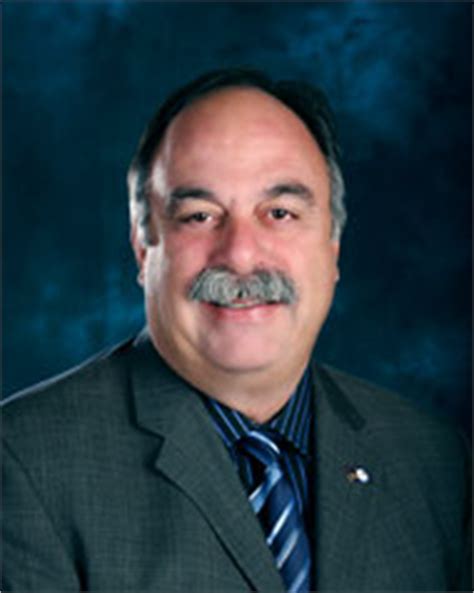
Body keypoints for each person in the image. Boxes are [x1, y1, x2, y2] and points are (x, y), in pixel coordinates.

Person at [2, 68, 470, 593]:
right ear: (142, 248)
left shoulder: (434, 461)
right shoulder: (23, 464)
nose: (241, 255)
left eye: (280, 212)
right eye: (199, 216)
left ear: (333, 247)